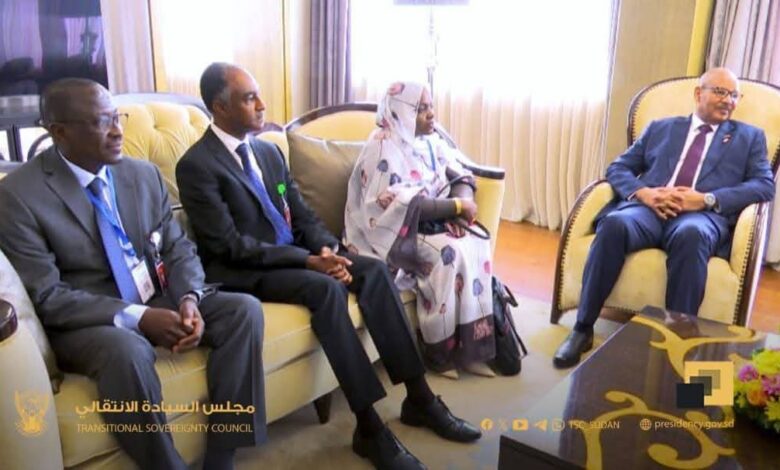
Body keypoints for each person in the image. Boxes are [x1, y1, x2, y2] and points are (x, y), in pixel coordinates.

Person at [175, 63, 481, 470]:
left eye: (258, 94)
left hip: (296, 255)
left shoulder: (267, 152)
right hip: (244, 270)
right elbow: (229, 245)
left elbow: (301, 215)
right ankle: (369, 427)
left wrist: (329, 249)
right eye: (249, 98)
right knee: (326, 288)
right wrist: (310, 261)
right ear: (220, 107)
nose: (263, 105)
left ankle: (419, 397)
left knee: (372, 271)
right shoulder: (197, 165)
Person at [0, 79, 266, 470]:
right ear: (59, 132)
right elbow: (48, 296)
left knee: (243, 311)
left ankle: (222, 455)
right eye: (100, 121)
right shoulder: (19, 196)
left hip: (153, 293)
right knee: (128, 350)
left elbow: (177, 247)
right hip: (87, 319)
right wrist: (139, 318)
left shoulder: (142, 175)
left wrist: (188, 299)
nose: (117, 130)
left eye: (117, 117)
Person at [553, 67, 775, 369]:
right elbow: (618, 168)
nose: (729, 100)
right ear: (698, 93)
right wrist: (644, 193)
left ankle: (677, 341)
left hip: (700, 216)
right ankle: (582, 328)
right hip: (647, 211)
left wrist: (706, 199)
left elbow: (764, 185)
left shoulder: (749, 137)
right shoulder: (661, 128)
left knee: (692, 235)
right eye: (721, 92)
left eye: (734, 95)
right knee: (615, 224)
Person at [343, 81, 496, 378]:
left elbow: (461, 175)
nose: (430, 114)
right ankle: (439, 352)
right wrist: (454, 208)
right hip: (385, 235)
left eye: (430, 106)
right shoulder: (382, 146)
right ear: (401, 112)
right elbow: (395, 207)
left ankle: (471, 348)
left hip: (423, 223)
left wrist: (460, 212)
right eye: (420, 108)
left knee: (476, 243)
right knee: (447, 252)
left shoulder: (429, 141)